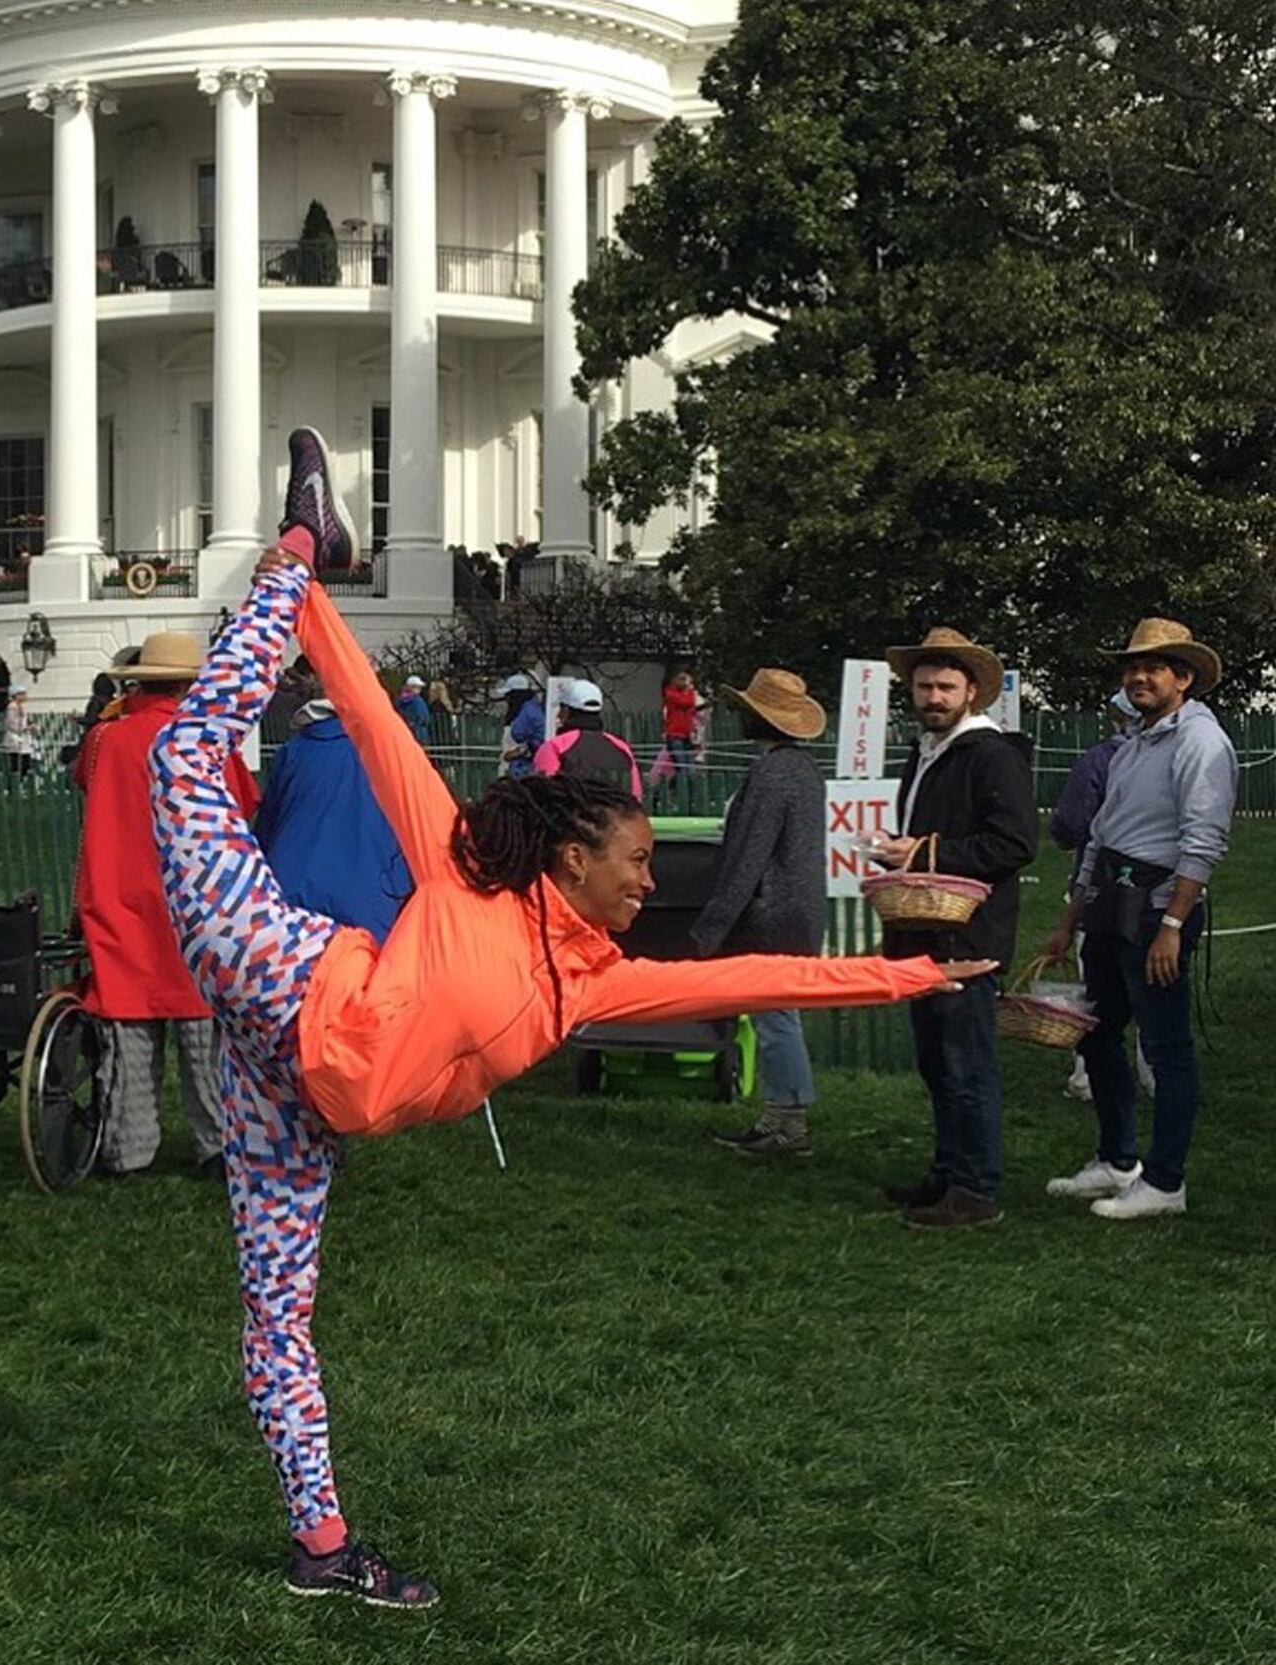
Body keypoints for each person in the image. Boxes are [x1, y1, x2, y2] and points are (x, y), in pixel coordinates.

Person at [149, 428, 986, 1609]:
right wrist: (307, 591)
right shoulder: (462, 871)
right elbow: (369, 716)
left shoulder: (590, 983)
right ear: (575, 852)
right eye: (635, 859)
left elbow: (753, 978)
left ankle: (322, 1548)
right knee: (183, 752)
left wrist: (909, 979)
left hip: (298, 1097)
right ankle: (297, 544)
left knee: (278, 1318)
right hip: (286, 982)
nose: (650, 881)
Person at [1043, 619, 1237, 1221]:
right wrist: (1069, 918)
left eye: (1154, 666)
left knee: (1166, 1046)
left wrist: (1174, 926)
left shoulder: (1201, 744)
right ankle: (1117, 1158)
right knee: (1096, 1032)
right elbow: (1101, 834)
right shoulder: (1136, 741)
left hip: (1156, 912)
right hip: (1109, 903)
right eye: (1132, 666)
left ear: (1184, 677)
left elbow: (1203, 841)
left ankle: (1165, 1181)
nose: (1139, 676)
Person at [74, 633, 258, 1180]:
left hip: (119, 897)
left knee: (128, 1030)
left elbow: (82, 779)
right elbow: (245, 804)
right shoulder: (203, 741)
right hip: (192, 900)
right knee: (205, 1035)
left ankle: (129, 1149)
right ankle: (218, 1144)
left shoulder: (105, 739)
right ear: (189, 684)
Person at [873, 627, 1038, 1230]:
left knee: (967, 1065)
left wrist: (922, 853)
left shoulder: (991, 754)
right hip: (922, 929)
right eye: (924, 686)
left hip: (969, 935)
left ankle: (976, 1188)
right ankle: (948, 1172)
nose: (933, 696)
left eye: (945, 687)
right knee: (937, 1063)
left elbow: (1017, 843)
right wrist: (899, 853)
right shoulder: (924, 751)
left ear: (972, 690)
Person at [693, 669, 828, 1156]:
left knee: (776, 1020)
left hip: (772, 915)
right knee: (779, 1018)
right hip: (797, 912)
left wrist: (712, 927)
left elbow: (748, 855)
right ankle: (781, 1116)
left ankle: (788, 1122)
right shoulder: (803, 769)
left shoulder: (771, 774)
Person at [1049, 689, 1153, 1104]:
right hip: (1158, 886)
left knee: (1095, 989)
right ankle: (1154, 1075)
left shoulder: (1098, 759)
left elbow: (1070, 824)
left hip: (1099, 886)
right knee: (1153, 987)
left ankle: (1086, 1076)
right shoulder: (1173, 755)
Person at [255, 697, 410, 947]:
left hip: (290, 897)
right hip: (373, 899)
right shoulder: (392, 754)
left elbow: (266, 828)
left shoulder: (293, 752)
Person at [533, 678, 643, 799]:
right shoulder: (621, 747)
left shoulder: (554, 747)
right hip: (617, 816)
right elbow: (635, 794)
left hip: (572, 816)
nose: (558, 715)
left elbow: (543, 795)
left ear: (566, 711)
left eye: (560, 709)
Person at [661, 669, 703, 814]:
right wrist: (691, 692)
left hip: (687, 737)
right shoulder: (671, 694)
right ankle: (676, 798)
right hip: (674, 736)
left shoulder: (687, 694)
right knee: (682, 769)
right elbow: (688, 702)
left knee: (690, 771)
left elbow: (694, 707)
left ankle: (689, 801)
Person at [498, 673, 545, 777]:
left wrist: (523, 750)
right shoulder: (525, 710)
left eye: (508, 695)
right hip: (515, 768)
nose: (506, 699)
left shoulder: (529, 713)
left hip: (522, 770)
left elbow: (539, 738)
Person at [3, 685, 37, 779]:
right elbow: (13, 724)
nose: (25, 696)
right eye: (22, 694)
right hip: (15, 738)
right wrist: (27, 728)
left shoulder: (20, 706)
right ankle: (16, 783)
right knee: (18, 763)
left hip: (22, 738)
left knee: (25, 762)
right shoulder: (12, 707)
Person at [394, 675, 431, 746]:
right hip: (419, 732)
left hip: (403, 732)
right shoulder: (418, 700)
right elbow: (423, 717)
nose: (420, 689)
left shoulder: (399, 701)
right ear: (413, 687)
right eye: (418, 687)